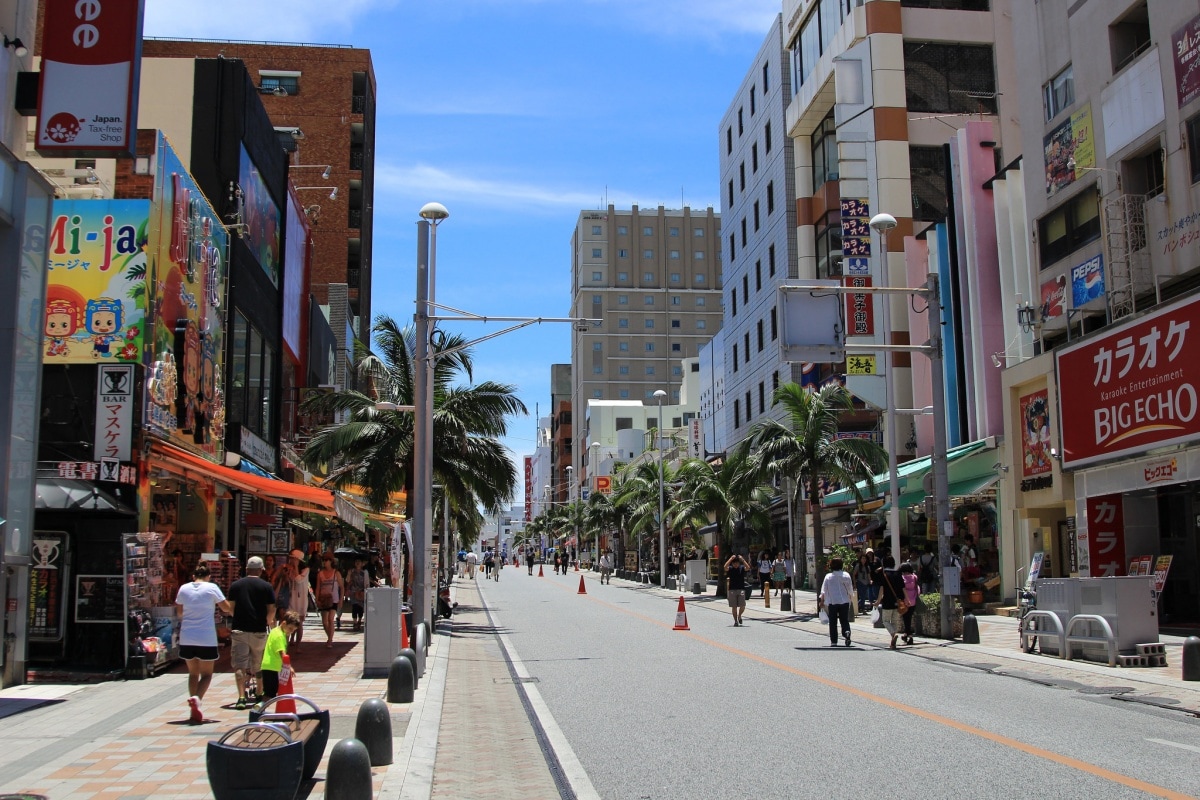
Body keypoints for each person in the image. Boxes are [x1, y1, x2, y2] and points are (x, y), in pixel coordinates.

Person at [174, 562, 232, 724]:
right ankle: (197, 699)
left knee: (193, 673)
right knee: (207, 674)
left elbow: (179, 613)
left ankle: (194, 710)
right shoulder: (212, 588)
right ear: (208, 576)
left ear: (193, 576)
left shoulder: (183, 589)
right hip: (206, 637)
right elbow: (226, 608)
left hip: (187, 636)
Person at [226, 556, 276, 711]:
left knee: (239, 665)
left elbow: (230, 608)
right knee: (258, 665)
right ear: (261, 570)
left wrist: (239, 617)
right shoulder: (266, 586)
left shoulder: (235, 586)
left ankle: (241, 697)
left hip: (239, 630)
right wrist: (268, 622)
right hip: (259, 631)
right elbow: (271, 609)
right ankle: (259, 695)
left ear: (246, 569)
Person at [260, 610, 303, 703]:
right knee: (270, 694)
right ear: (284, 623)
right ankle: (259, 709)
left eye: (293, 630)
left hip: (269, 666)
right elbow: (282, 653)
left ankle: (261, 709)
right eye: (290, 628)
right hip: (272, 667)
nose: (291, 632)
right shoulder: (279, 636)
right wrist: (289, 667)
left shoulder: (275, 631)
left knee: (270, 692)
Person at [819, 557, 854, 647]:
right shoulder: (846, 575)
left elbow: (824, 590)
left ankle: (834, 641)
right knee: (844, 620)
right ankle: (846, 632)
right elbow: (850, 589)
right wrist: (851, 597)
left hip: (833, 602)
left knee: (833, 622)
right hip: (845, 601)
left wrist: (822, 601)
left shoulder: (828, 576)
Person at [873, 555, 903, 649]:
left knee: (885, 620)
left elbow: (882, 589)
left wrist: (878, 601)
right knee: (894, 621)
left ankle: (893, 634)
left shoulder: (884, 574)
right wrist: (907, 599)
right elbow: (903, 588)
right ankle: (893, 641)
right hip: (898, 601)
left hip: (887, 601)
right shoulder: (898, 574)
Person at [315, 553, 344, 648]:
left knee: (330, 619)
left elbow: (342, 587)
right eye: (323, 560)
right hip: (324, 599)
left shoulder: (336, 573)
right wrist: (317, 599)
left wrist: (341, 600)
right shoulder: (320, 574)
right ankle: (330, 636)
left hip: (334, 599)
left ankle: (330, 640)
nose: (324, 562)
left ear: (331, 561)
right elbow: (318, 587)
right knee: (324, 622)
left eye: (326, 560)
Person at [287, 549, 311, 646]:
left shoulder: (306, 570)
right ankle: (289, 640)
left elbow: (298, 580)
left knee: (299, 623)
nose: (291, 561)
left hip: (300, 599)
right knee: (290, 620)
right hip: (291, 598)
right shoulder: (290, 569)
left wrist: (296, 567)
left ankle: (298, 644)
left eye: (293, 559)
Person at [725, 553, 750, 626]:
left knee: (743, 605)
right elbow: (725, 567)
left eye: (737, 563)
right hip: (732, 589)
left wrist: (742, 560)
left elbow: (748, 567)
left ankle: (739, 616)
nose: (736, 565)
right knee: (734, 606)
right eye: (734, 563)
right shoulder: (731, 569)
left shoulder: (742, 568)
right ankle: (735, 621)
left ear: (739, 563)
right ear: (732, 564)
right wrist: (730, 559)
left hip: (741, 588)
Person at [346, 556, 370, 632]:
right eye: (356, 561)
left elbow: (366, 583)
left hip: (361, 593)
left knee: (360, 608)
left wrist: (366, 591)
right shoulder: (352, 571)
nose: (357, 563)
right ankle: (355, 622)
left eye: (359, 561)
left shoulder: (364, 572)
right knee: (354, 607)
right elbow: (347, 580)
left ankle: (359, 619)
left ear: (362, 564)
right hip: (353, 592)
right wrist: (349, 574)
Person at [899, 562, 920, 645]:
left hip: (905, 601)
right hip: (913, 600)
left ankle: (910, 636)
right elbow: (917, 588)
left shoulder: (902, 578)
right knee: (909, 618)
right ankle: (905, 634)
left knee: (906, 619)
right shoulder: (914, 577)